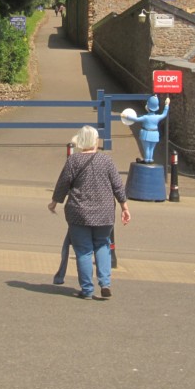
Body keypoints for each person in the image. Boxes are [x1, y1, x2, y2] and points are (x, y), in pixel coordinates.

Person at [48, 126, 130, 299]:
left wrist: (55, 201)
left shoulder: (74, 161)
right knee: (102, 246)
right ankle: (105, 283)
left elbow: (63, 183)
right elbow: (117, 186)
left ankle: (87, 290)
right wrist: (124, 207)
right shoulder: (106, 161)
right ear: (95, 140)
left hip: (79, 212)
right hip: (105, 213)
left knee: (83, 251)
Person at [125, 95, 170, 164]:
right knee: (151, 148)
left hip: (146, 134)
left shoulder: (145, 117)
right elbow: (164, 114)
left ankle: (146, 160)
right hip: (155, 134)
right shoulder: (157, 117)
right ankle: (150, 159)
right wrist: (167, 105)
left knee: (146, 148)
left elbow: (136, 119)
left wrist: (127, 116)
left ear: (148, 107)